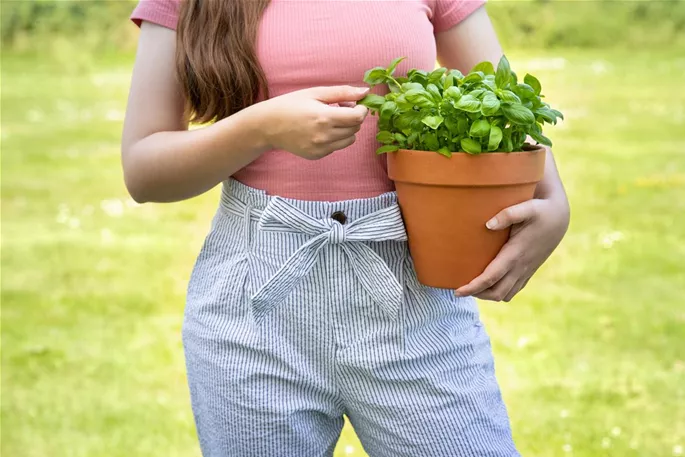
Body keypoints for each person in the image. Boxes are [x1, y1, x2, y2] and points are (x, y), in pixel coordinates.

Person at [122, 0, 570, 455]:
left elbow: (505, 97)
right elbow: (143, 171)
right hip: (254, 309)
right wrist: (261, 128)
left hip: (411, 294)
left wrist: (554, 204)